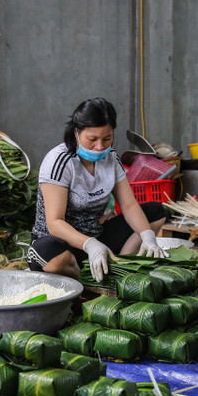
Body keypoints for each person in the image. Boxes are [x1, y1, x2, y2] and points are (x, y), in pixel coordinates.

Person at [27, 97, 168, 283]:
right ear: (77, 133)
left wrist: (148, 236)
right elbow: (55, 222)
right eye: (92, 139)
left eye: (107, 138)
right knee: (49, 252)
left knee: (155, 211)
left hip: (98, 239)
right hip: (64, 244)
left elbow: (128, 205)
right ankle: (85, 281)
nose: (100, 146)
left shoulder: (111, 158)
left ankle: (122, 268)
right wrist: (90, 245)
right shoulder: (59, 161)